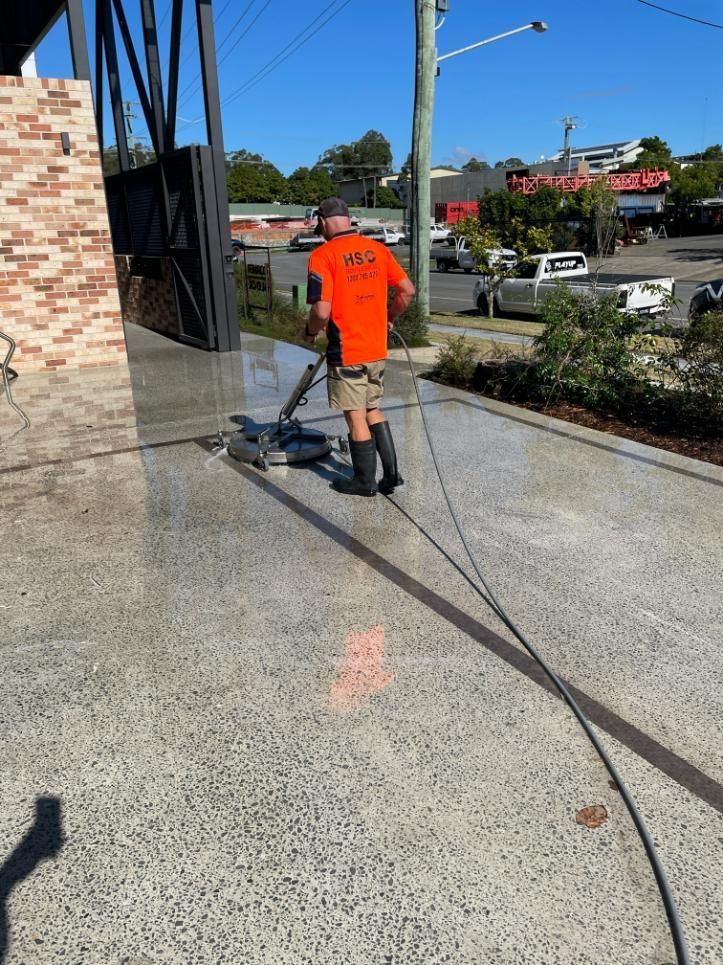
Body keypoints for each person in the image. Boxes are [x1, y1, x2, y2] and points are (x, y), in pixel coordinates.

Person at [304, 198, 415, 497]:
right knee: (373, 408)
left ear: (324, 221)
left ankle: (364, 481)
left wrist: (309, 331)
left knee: (355, 416)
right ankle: (391, 474)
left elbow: (322, 312)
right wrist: (388, 318)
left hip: (347, 349)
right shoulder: (378, 250)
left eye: (319, 225)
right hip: (376, 348)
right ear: (349, 219)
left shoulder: (323, 256)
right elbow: (407, 290)